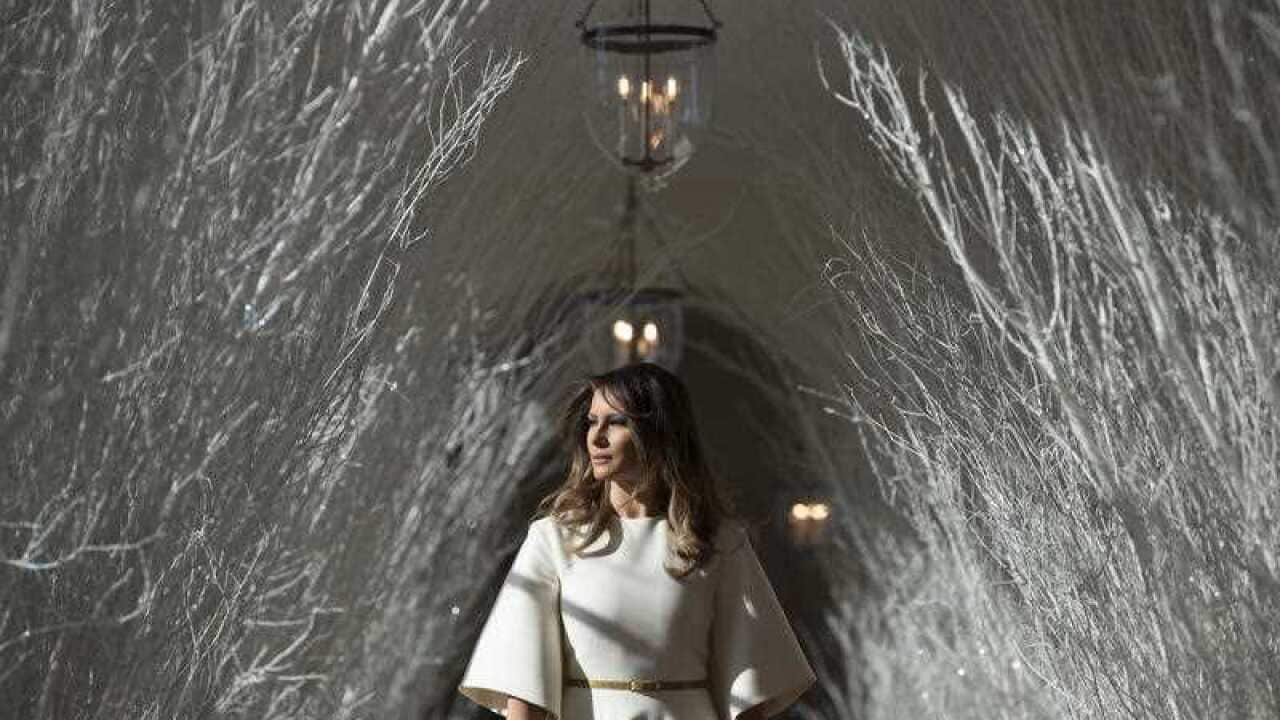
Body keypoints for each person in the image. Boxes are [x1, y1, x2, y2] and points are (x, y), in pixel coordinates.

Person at [458, 362, 816, 719]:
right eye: (591, 421)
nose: (596, 437)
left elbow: (749, 688)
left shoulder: (720, 542)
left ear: (658, 433)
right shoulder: (552, 538)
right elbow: (524, 687)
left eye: (615, 422)